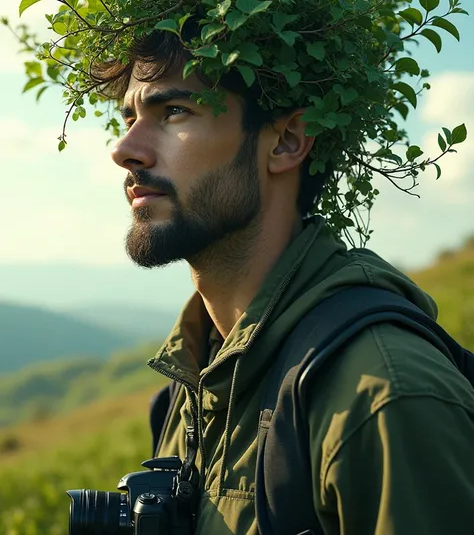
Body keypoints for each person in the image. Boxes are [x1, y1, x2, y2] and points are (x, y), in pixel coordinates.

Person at [96, 27, 474, 535]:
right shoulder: (190, 386)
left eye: (174, 112)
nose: (124, 150)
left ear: (288, 141)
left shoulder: (384, 397)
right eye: (128, 118)